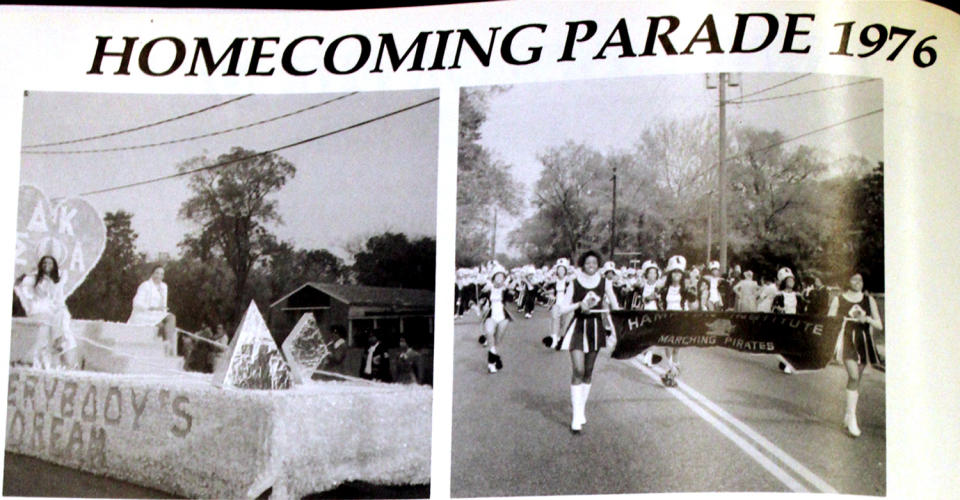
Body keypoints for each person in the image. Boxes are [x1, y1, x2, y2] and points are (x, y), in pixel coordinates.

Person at [555, 250, 620, 433]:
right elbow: (562, 308)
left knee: (589, 372)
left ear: (598, 265)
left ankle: (581, 409)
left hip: (595, 328)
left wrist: (622, 316)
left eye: (594, 263)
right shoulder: (574, 283)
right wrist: (578, 305)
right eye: (588, 263)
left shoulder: (605, 282)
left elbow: (614, 304)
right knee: (578, 370)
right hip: (577, 328)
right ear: (582, 264)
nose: (591, 266)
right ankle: (576, 416)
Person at [829, 272, 883, 438]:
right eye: (854, 279)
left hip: (863, 341)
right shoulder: (840, 299)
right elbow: (829, 322)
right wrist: (842, 321)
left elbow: (879, 325)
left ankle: (848, 414)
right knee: (853, 376)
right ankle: (852, 418)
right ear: (848, 281)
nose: (858, 282)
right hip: (846, 341)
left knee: (856, 380)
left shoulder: (869, 300)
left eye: (860, 279)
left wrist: (866, 319)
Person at [14, 255, 77, 369]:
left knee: (62, 316)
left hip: (55, 308)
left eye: (49, 263)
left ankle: (60, 346)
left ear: (54, 266)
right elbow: (24, 291)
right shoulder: (35, 279)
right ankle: (52, 353)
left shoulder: (58, 280)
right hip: (41, 308)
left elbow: (59, 297)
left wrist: (57, 305)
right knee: (47, 324)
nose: (46, 265)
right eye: (44, 263)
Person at [128, 265, 178, 356]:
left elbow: (163, 305)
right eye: (157, 273)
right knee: (162, 326)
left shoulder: (164, 286)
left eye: (161, 274)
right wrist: (151, 307)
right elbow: (136, 303)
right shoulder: (145, 285)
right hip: (144, 314)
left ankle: (167, 344)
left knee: (171, 318)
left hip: (157, 315)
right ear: (152, 274)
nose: (159, 276)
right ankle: (166, 347)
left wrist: (162, 310)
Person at [658, 255, 691, 387]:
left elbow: (688, 305)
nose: (677, 275)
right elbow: (660, 304)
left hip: (680, 320)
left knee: (677, 348)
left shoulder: (685, 290)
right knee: (667, 345)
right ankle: (670, 369)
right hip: (667, 320)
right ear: (671, 274)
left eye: (679, 272)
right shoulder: (665, 289)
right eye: (674, 272)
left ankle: (671, 374)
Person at [478, 265, 513, 373]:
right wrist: (483, 291)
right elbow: (480, 298)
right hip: (491, 314)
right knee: (489, 332)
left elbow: (511, 299)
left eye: (501, 277)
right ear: (493, 278)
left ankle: (493, 357)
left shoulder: (505, 289)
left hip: (503, 316)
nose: (499, 279)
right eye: (497, 277)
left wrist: (510, 291)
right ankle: (492, 361)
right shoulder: (489, 288)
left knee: (496, 341)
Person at [543, 258, 573, 349]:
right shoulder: (554, 281)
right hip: (556, 303)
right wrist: (550, 294)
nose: (561, 271)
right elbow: (544, 287)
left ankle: (562, 339)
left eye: (563, 269)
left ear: (565, 271)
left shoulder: (569, 281)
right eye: (559, 269)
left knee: (565, 323)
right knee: (554, 319)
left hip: (567, 305)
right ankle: (554, 339)